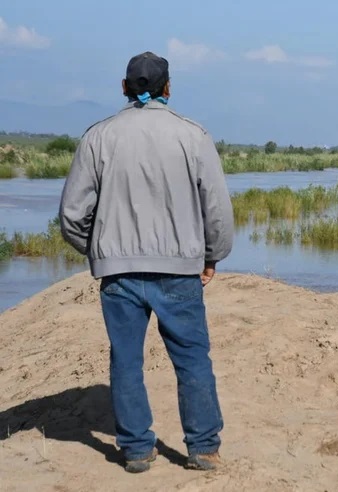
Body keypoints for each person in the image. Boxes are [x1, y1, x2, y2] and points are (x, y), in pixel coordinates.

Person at [59, 51, 234, 474]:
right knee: (192, 358)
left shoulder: (97, 137)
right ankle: (203, 449)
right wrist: (212, 255)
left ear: (124, 87)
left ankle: (137, 450)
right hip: (179, 271)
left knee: (125, 359)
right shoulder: (193, 135)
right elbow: (218, 211)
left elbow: (70, 215)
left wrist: (98, 249)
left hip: (118, 273)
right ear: (168, 88)